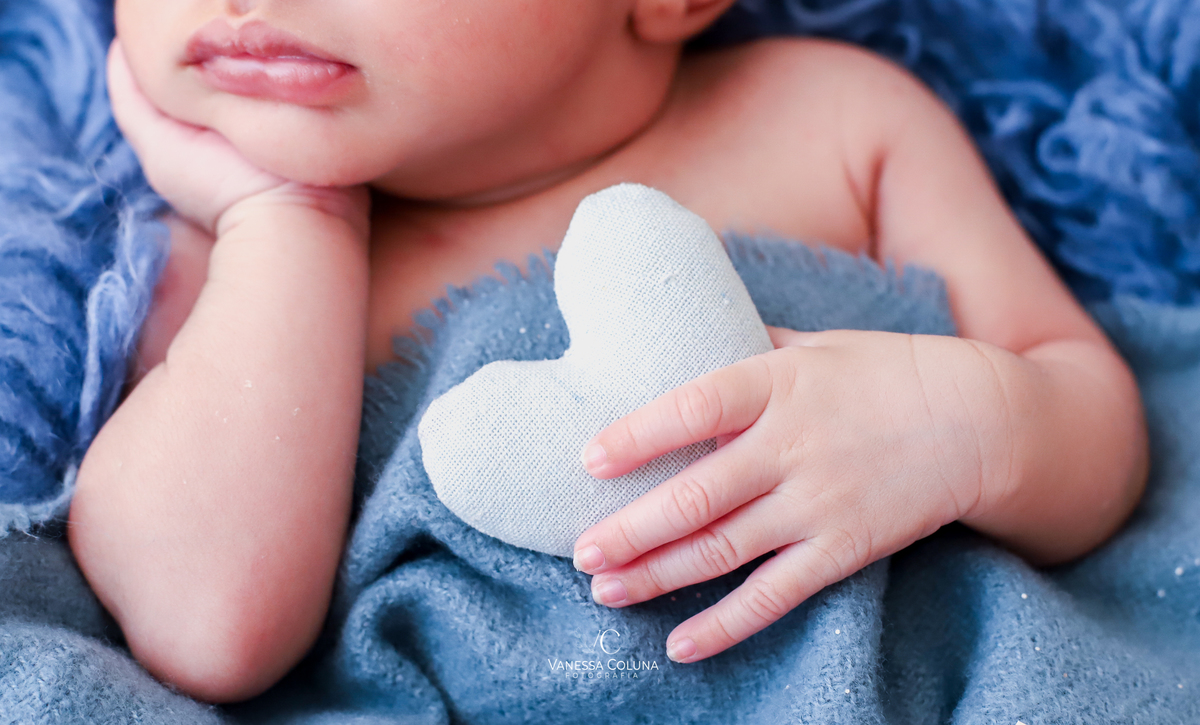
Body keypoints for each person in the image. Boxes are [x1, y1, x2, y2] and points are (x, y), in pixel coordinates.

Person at [68, 0, 1149, 705]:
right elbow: (209, 628)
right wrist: (288, 224)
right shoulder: (228, 261)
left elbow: (1097, 430)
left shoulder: (833, 123)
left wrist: (958, 427)